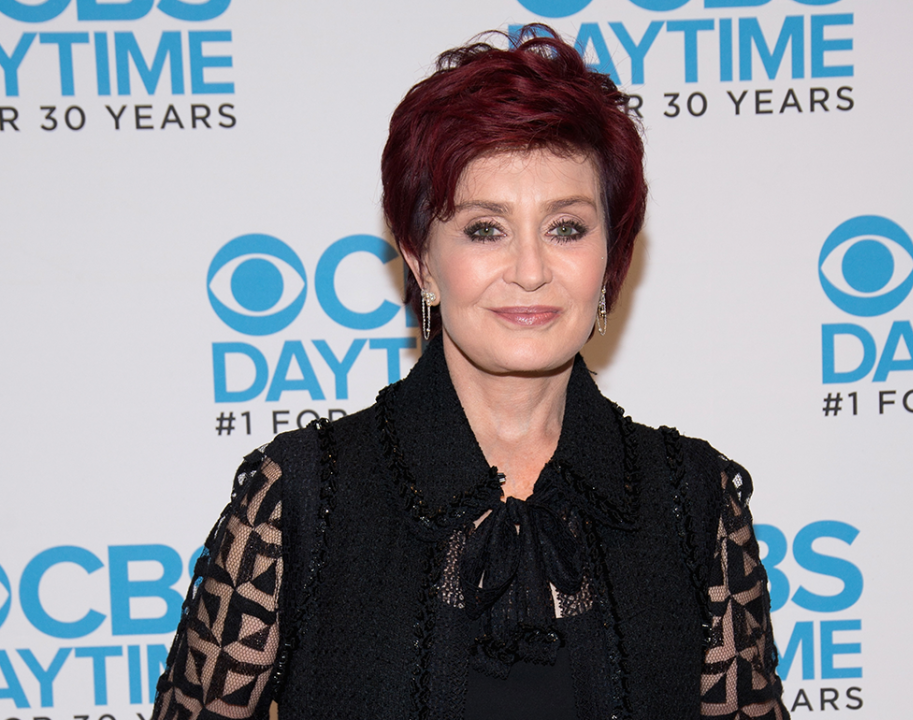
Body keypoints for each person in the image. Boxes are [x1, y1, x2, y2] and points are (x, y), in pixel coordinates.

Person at [152, 25, 790, 720]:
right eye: (485, 228)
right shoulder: (305, 498)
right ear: (422, 261)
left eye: (567, 228)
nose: (530, 270)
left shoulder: (690, 501)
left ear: (611, 261)